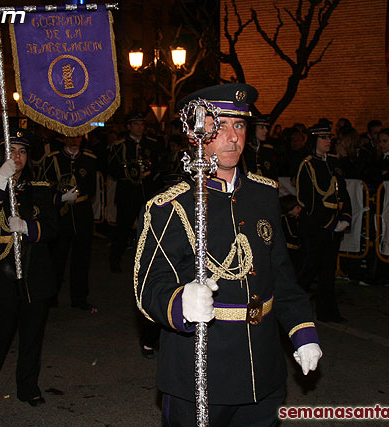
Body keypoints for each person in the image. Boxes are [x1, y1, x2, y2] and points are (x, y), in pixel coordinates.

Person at [134, 83, 322, 426]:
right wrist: (180, 302)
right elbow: (148, 287)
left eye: (239, 125)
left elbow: (281, 275)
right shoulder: (170, 206)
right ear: (196, 133)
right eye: (219, 126)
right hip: (201, 372)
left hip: (263, 368)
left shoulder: (264, 194)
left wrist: (302, 332)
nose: (232, 137)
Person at [0, 130, 57, 406]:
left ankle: (28, 387)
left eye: (21, 151)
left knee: (32, 334)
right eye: (11, 151)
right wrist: (0, 181)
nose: (16, 157)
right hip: (2, 268)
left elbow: (53, 227)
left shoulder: (41, 186)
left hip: (35, 270)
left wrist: (28, 228)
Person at [296, 124, 352, 323]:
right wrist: (328, 222)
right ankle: (294, 312)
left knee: (328, 272)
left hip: (333, 226)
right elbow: (307, 200)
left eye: (330, 137)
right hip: (315, 227)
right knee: (308, 270)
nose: (328, 141)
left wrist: (345, 216)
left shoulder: (334, 162)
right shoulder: (308, 164)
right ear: (315, 140)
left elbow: (342, 191)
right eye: (324, 138)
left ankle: (327, 312)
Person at [43, 135, 98, 311]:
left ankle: (79, 298)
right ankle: (51, 296)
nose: (74, 140)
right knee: (57, 258)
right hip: (61, 215)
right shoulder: (54, 159)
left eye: (77, 136)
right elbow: (47, 187)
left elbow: (92, 190)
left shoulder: (90, 159)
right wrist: (61, 198)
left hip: (82, 214)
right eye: (70, 136)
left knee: (82, 259)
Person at [107, 112, 161, 273]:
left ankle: (149, 263)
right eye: (136, 124)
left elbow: (159, 166)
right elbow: (112, 169)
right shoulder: (119, 145)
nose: (140, 128)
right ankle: (115, 260)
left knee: (149, 229)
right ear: (129, 126)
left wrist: (150, 172)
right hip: (128, 193)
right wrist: (131, 173)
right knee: (122, 229)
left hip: (147, 192)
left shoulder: (152, 144)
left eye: (142, 124)